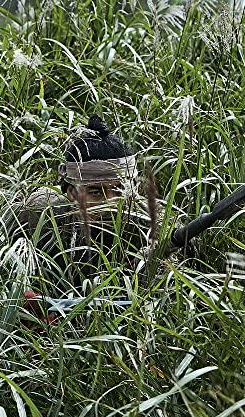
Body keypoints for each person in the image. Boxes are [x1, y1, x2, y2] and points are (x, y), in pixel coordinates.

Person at [14, 115, 152, 289]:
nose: (112, 202)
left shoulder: (151, 223)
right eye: (96, 192)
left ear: (134, 186)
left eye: (119, 189)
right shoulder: (41, 216)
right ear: (71, 192)